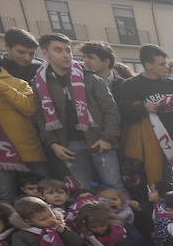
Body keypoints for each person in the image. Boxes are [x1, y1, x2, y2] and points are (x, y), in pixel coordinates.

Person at [35, 33, 123, 191]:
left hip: (99, 141)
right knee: (84, 192)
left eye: (67, 50)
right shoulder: (39, 83)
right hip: (68, 146)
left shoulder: (91, 78)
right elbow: (41, 117)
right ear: (45, 53)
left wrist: (107, 138)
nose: (65, 55)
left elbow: (111, 110)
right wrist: (53, 144)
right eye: (58, 50)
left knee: (115, 188)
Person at [116, 45, 173, 188]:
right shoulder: (131, 85)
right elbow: (125, 114)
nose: (167, 67)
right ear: (148, 65)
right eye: (162, 64)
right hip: (155, 142)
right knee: (163, 186)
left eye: (166, 63)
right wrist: (144, 108)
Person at [0, 59, 44, 200]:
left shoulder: (18, 83)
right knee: (5, 197)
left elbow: (29, 108)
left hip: (29, 154)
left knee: (41, 195)